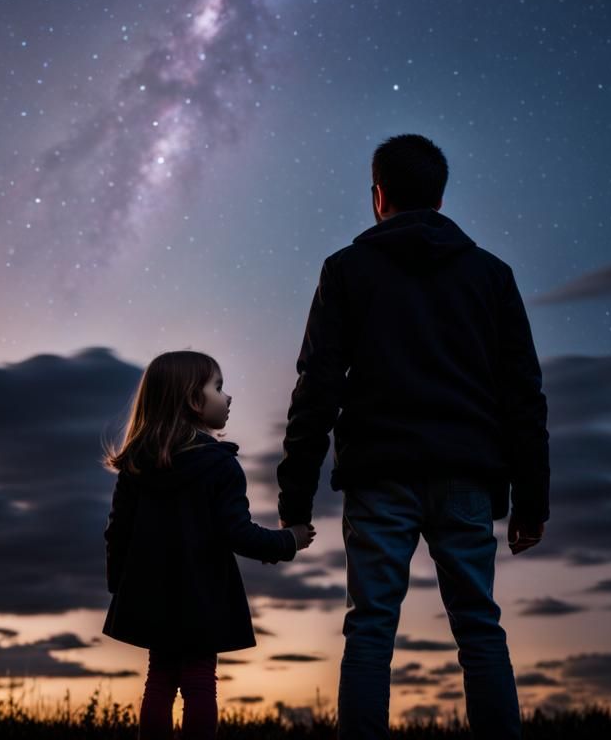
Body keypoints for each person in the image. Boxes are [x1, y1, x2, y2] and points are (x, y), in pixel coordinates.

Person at [276, 133, 550, 740]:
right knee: (479, 625)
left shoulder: (346, 271)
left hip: (379, 474)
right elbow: (523, 395)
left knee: (370, 628)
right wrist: (532, 500)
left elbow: (315, 387)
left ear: (378, 196)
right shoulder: (491, 275)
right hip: (467, 471)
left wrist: (295, 496)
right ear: (441, 198)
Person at [101, 350, 315, 739]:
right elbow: (238, 532)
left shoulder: (137, 465)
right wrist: (289, 540)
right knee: (199, 679)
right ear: (191, 399)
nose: (227, 397)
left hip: (151, 597)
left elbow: (118, 533)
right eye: (217, 387)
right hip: (202, 596)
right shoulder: (219, 465)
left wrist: (122, 587)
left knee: (159, 679)